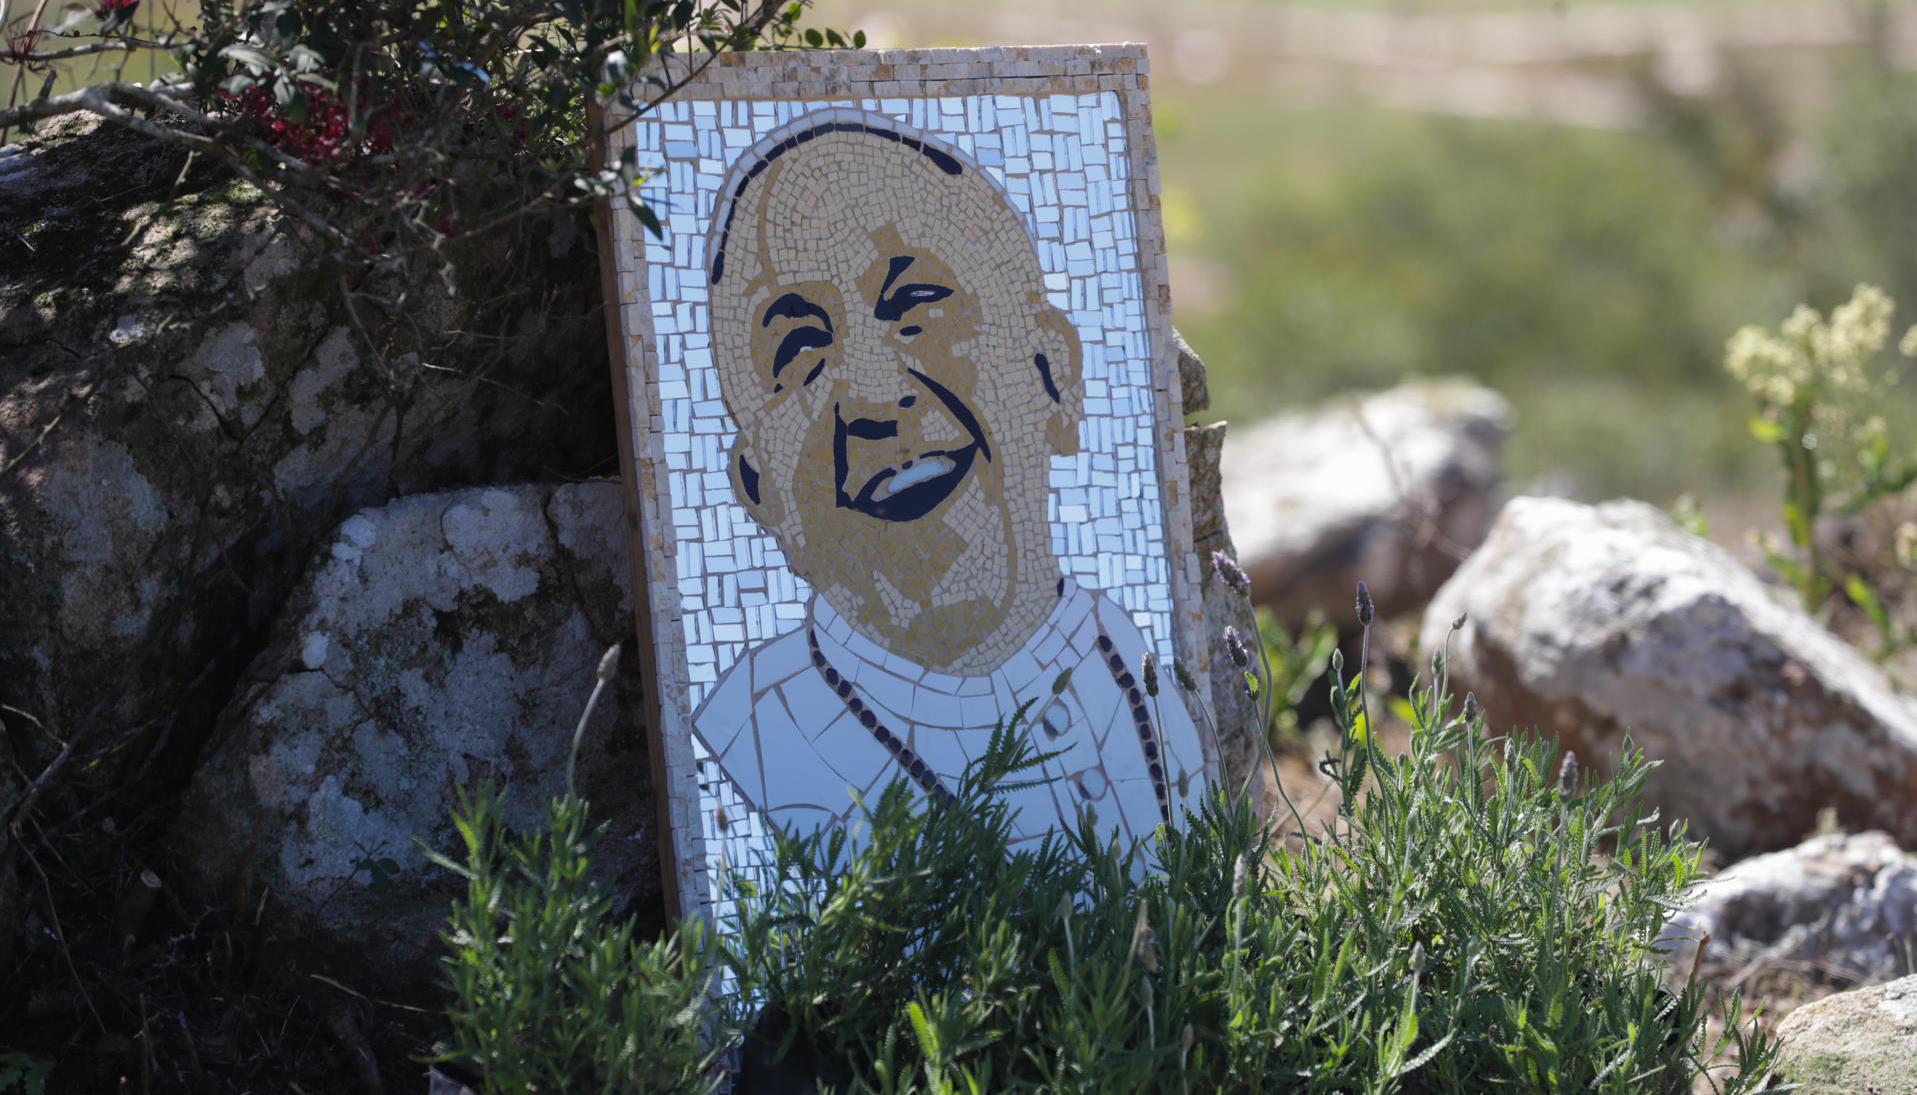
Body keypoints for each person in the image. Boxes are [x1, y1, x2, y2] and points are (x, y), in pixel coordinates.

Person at [690, 109, 1204, 855]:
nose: (871, 396)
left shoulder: (1144, 667)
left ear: (1051, 378)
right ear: (759, 486)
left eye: (916, 307)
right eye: (800, 348)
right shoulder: (745, 745)